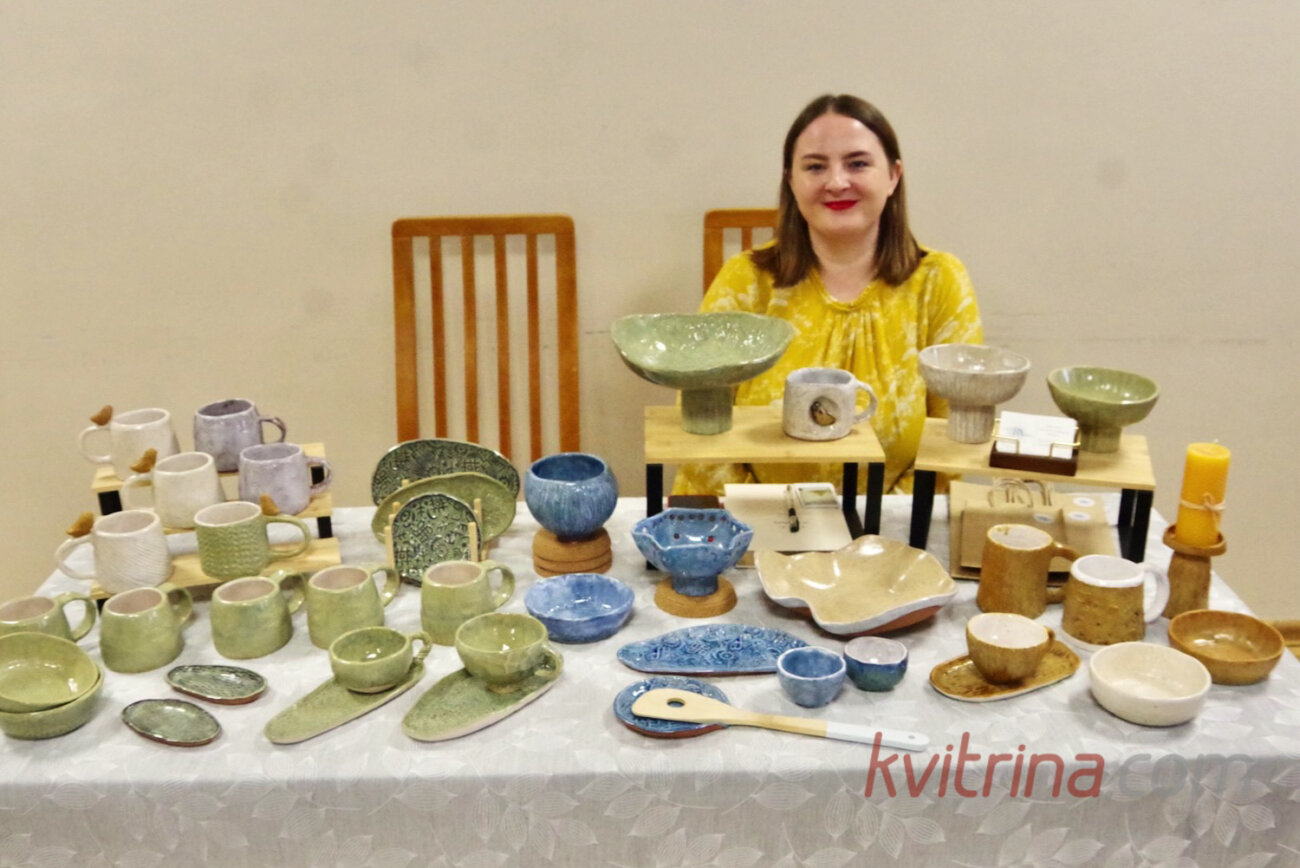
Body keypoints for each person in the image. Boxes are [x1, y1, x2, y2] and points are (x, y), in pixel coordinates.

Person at [672, 94, 983, 496]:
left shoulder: (939, 282)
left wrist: (874, 522)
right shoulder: (745, 281)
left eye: (858, 163)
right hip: (743, 520)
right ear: (791, 180)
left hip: (891, 526)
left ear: (893, 175)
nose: (836, 182)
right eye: (815, 166)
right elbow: (699, 430)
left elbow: (953, 440)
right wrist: (777, 518)